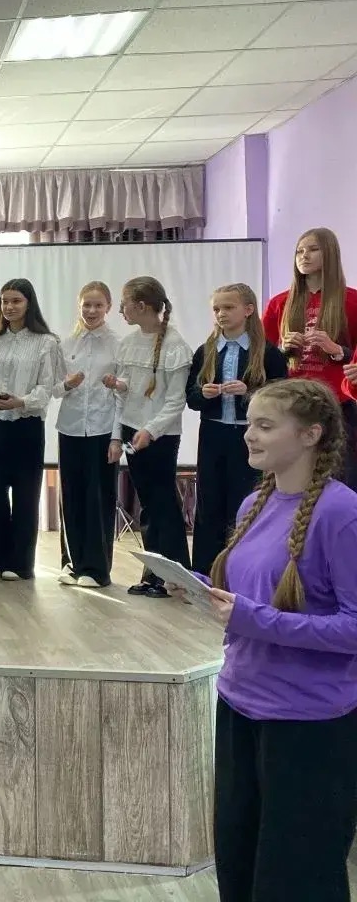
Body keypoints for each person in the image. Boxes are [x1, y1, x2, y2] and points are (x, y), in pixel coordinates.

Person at [200, 379, 357, 901]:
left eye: (265, 426)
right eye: (250, 424)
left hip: (307, 724)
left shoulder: (342, 514)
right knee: (239, 864)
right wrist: (198, 592)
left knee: (296, 878)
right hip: (239, 706)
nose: (249, 435)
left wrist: (255, 620)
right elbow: (249, 603)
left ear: (311, 434)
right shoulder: (254, 503)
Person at [186, 284, 288, 575]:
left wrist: (251, 392)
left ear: (248, 310)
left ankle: (242, 573)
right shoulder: (205, 351)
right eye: (216, 309)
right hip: (213, 435)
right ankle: (205, 572)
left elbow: (282, 397)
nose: (221, 314)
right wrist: (203, 394)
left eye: (228, 307)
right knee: (209, 503)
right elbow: (191, 398)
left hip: (250, 438)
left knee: (245, 502)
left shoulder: (268, 352)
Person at [0, 278, 63, 582]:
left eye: (16, 301)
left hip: (27, 426)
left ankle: (20, 563)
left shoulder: (46, 341)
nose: (9, 307)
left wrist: (20, 402)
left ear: (29, 303)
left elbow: (46, 387)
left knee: (25, 495)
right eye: (4, 301)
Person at [110, 275, 193, 597]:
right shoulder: (129, 342)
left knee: (163, 505)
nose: (121, 310)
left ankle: (175, 576)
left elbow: (175, 400)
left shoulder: (174, 345)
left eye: (125, 304)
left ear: (142, 306)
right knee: (148, 505)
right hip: (135, 430)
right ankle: (154, 573)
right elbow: (126, 392)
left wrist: (151, 430)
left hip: (160, 435)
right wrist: (119, 432)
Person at [264, 227, 357, 486]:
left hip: (338, 405)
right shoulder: (279, 303)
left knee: (341, 477)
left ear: (330, 254)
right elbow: (261, 359)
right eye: (299, 251)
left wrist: (338, 351)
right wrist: (282, 350)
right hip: (292, 404)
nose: (304, 256)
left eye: (313, 249)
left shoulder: (352, 301)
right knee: (295, 477)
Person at [54, 281, 120, 588]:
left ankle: (96, 569)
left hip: (102, 428)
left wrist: (117, 437)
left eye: (98, 305)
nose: (91, 311)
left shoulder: (118, 344)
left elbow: (124, 395)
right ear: (79, 306)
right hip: (70, 427)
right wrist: (67, 384)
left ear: (108, 307)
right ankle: (72, 563)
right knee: (71, 496)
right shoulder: (66, 344)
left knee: (99, 498)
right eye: (86, 305)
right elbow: (53, 388)